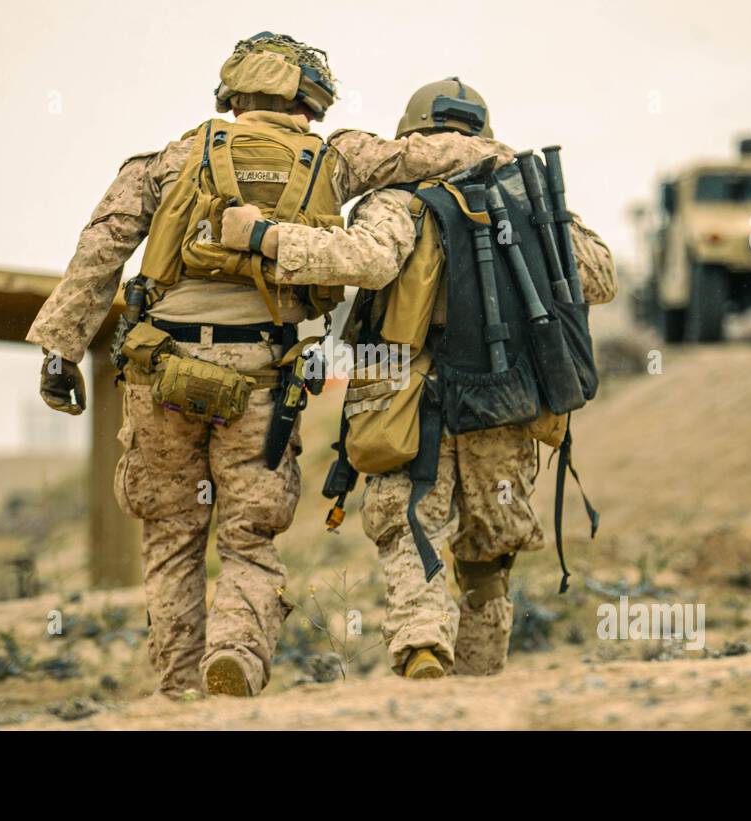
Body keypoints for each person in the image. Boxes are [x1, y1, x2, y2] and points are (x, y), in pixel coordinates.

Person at [28, 37, 514, 698]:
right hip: (258, 379)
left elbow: (99, 251)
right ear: (309, 100)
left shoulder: (170, 160)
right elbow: (420, 152)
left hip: (162, 371)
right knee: (249, 537)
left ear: (233, 94)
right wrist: (499, 155)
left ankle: (176, 692)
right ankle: (236, 655)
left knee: (170, 536)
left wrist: (60, 349)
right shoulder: (337, 157)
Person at [220, 78, 617, 679]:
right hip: (505, 393)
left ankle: (423, 647)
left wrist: (265, 236)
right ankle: (479, 686)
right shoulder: (529, 198)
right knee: (489, 552)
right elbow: (600, 276)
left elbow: (365, 260)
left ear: (411, 133)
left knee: (410, 528)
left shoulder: (397, 198)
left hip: (401, 388)